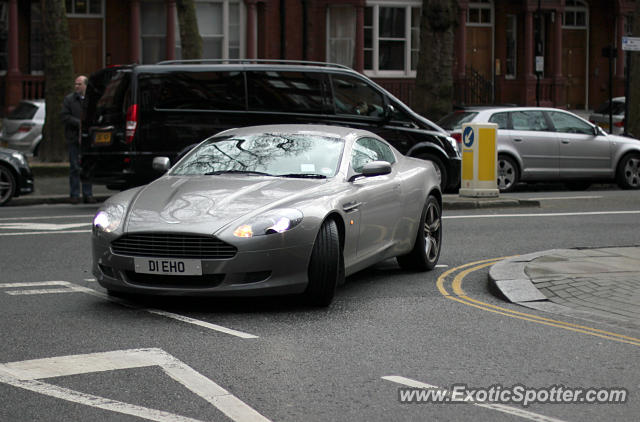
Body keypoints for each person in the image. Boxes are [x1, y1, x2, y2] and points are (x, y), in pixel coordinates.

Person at [61, 75, 95, 204]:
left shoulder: (90, 99)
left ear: (85, 86)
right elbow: (64, 116)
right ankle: (74, 194)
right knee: (74, 167)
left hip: (87, 138)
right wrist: (78, 123)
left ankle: (88, 194)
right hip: (73, 138)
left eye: (79, 84)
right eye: (75, 84)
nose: (76, 86)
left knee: (87, 167)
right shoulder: (69, 100)